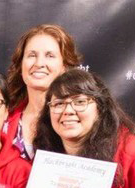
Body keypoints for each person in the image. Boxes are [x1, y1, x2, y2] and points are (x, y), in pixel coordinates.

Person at [5, 24, 82, 159]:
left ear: (64, 65)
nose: (39, 63)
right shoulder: (2, 119)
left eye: (50, 56)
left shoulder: (81, 118)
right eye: (32, 55)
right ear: (20, 64)